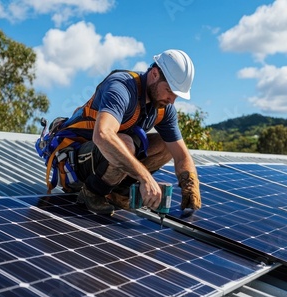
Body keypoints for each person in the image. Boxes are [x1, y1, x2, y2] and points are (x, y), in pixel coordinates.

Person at [71, 49, 201, 215]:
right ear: (154, 74)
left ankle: (118, 193)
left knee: (165, 145)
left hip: (108, 160)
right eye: (169, 90)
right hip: (80, 158)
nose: (171, 100)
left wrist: (190, 182)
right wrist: (145, 178)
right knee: (125, 143)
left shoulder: (163, 107)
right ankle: (92, 192)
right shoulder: (122, 88)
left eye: (176, 95)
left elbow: (181, 155)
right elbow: (103, 135)